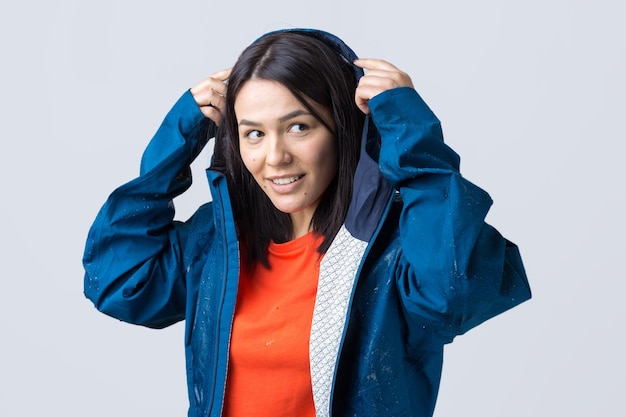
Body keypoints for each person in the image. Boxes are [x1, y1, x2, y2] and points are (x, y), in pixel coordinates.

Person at [83, 28, 531, 417]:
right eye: (253, 133)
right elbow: (120, 283)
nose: (275, 157)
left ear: (342, 128)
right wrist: (176, 140)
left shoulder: (395, 248)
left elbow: (454, 294)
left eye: (299, 127)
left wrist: (411, 132)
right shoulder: (218, 243)